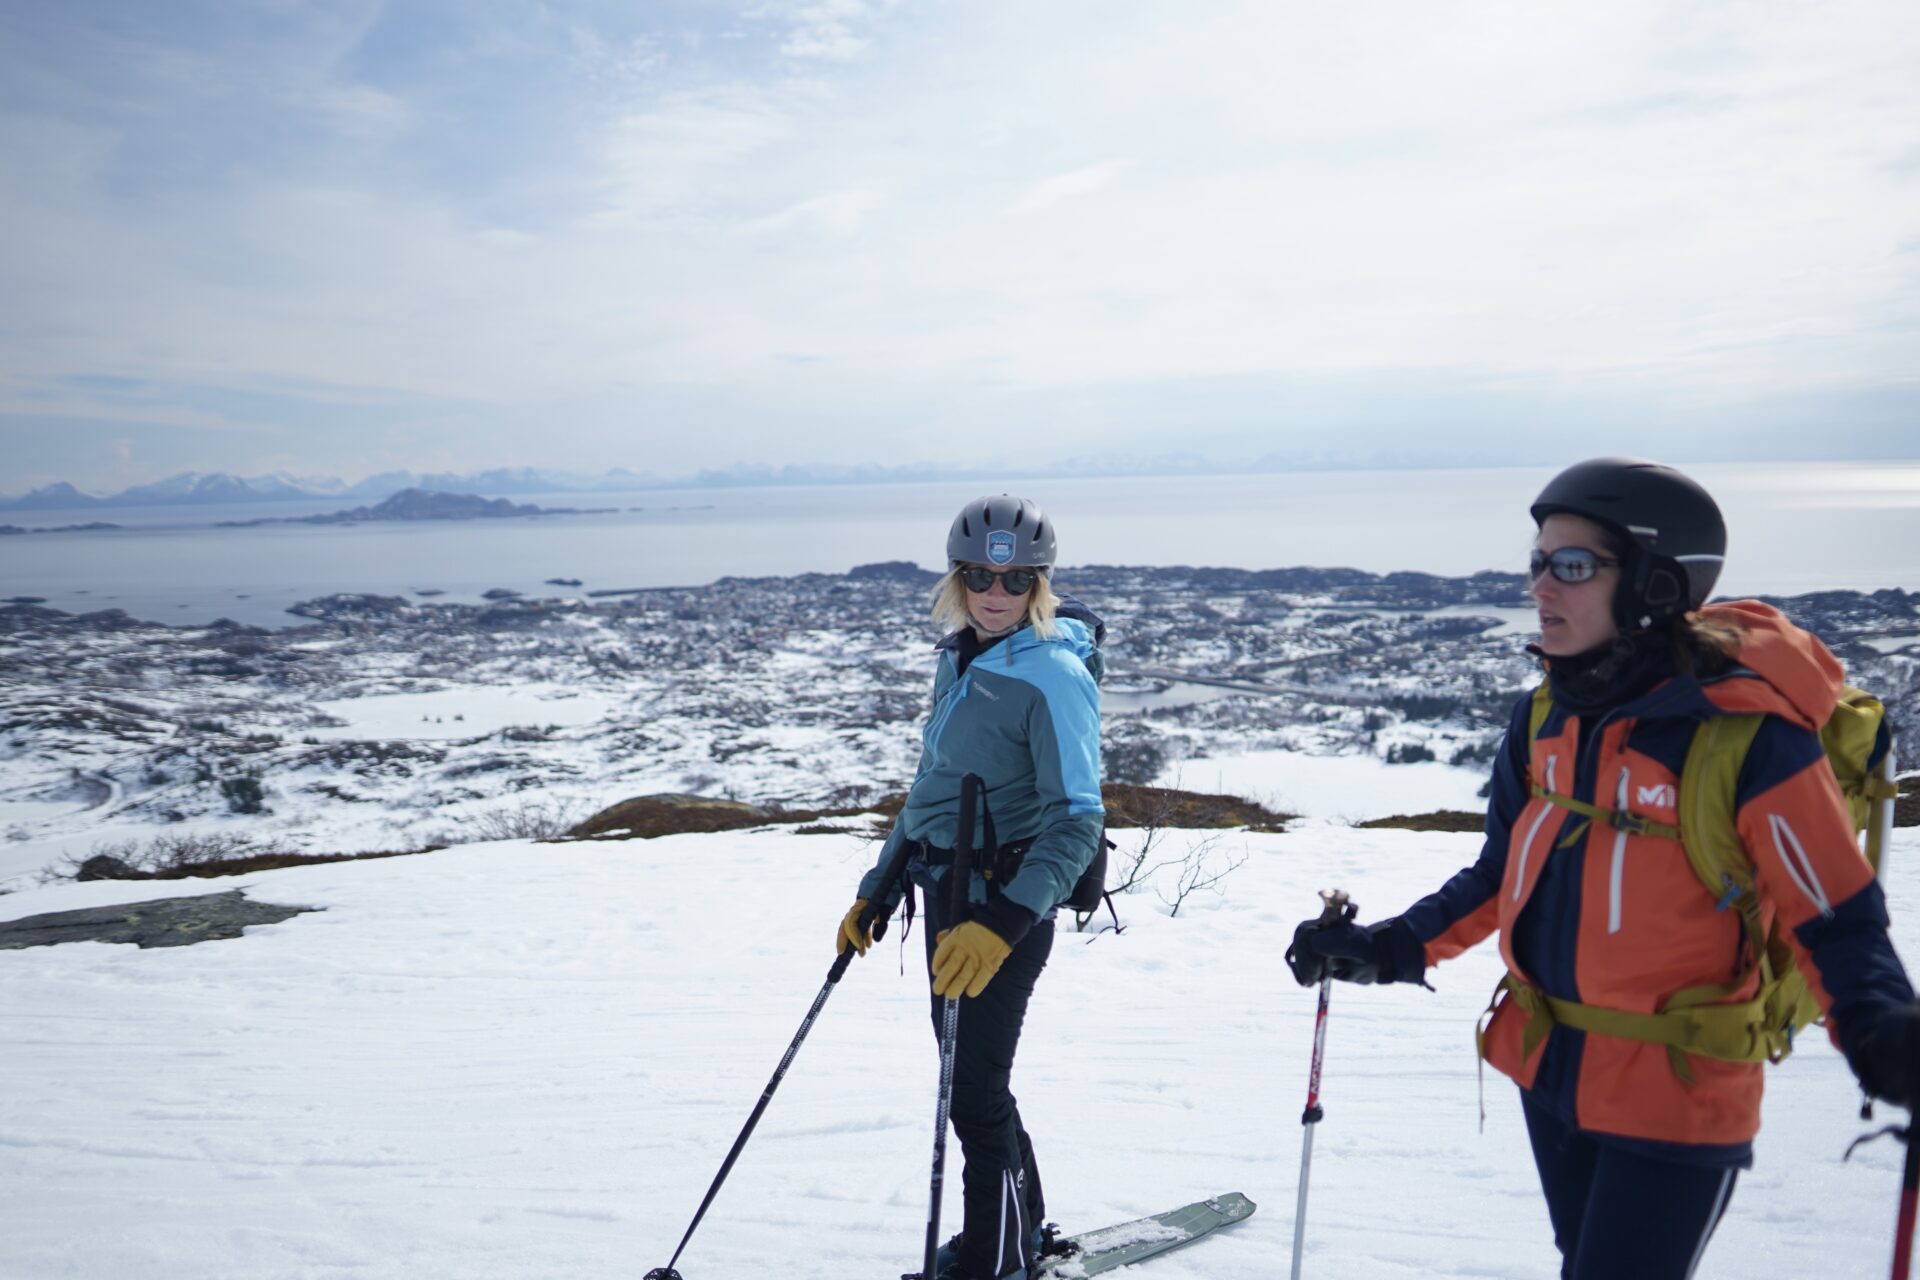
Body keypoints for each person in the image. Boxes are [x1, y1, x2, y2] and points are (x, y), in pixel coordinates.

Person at [1285, 457, 1920, 1279]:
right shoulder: (1549, 712)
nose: (1542, 586)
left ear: (1656, 584)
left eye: (1573, 566)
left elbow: (1834, 915)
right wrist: (1389, 948)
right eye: (1538, 562)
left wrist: (1881, 1028)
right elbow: (1505, 872)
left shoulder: (1751, 740)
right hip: (1550, 1068)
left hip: (1678, 1089)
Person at [836, 494, 1105, 1280]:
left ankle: (994, 1260)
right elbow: (933, 790)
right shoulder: (960, 657)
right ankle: (1012, 1237)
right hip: (943, 895)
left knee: (974, 1096)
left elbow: (1076, 820)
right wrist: (876, 892)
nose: (998, 591)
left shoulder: (1052, 674)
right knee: (970, 1088)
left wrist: (1005, 922)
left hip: (1002, 906)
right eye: (980, 575)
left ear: (1040, 584)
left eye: (1018, 578)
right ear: (956, 579)